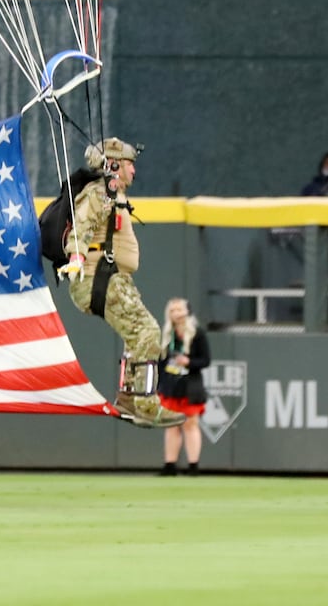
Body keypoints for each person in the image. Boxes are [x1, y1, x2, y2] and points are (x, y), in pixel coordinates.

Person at [61, 137, 181, 426]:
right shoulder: (101, 192)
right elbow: (83, 224)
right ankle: (146, 403)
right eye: (130, 164)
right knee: (149, 332)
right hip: (101, 278)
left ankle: (128, 398)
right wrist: (76, 257)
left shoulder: (113, 194)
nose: (134, 171)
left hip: (112, 279)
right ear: (113, 164)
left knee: (136, 337)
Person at [157, 297, 210, 476]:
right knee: (171, 425)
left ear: (187, 311)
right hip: (171, 385)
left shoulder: (197, 333)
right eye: (173, 311)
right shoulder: (165, 335)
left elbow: (206, 360)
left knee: (190, 424)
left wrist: (188, 362)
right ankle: (169, 464)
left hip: (190, 384)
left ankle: (193, 465)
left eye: (179, 310)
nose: (176, 314)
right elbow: (160, 361)